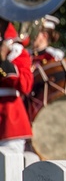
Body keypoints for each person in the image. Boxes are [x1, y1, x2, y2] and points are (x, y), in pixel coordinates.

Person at [0, 23, 34, 154]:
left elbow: (25, 85)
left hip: (10, 120)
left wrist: (3, 61)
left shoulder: (17, 52)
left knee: (10, 171)